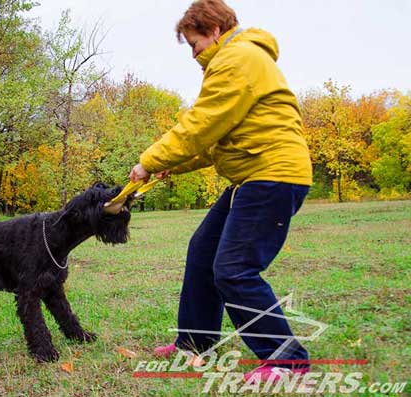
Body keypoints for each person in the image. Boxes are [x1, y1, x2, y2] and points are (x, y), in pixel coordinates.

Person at [129, 0, 313, 383]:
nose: (194, 55)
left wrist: (149, 159)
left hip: (272, 173)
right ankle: (194, 344)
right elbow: (215, 141)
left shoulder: (237, 59)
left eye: (194, 44)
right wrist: (171, 165)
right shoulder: (237, 60)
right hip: (250, 174)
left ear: (212, 30)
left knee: (234, 270)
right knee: (203, 253)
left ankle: (288, 361)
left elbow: (200, 125)